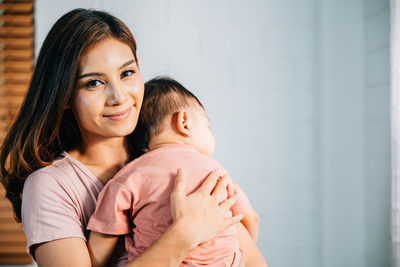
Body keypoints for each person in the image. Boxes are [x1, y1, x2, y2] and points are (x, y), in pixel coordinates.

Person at [0, 9, 261, 267]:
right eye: (94, 83)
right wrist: (183, 235)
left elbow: (252, 258)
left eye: (127, 73)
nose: (120, 97)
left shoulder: (170, 157)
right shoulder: (51, 186)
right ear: (64, 95)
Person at [86, 77, 266, 266]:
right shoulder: (214, 171)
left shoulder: (127, 176)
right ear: (184, 122)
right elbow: (251, 219)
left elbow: (101, 242)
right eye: (207, 125)